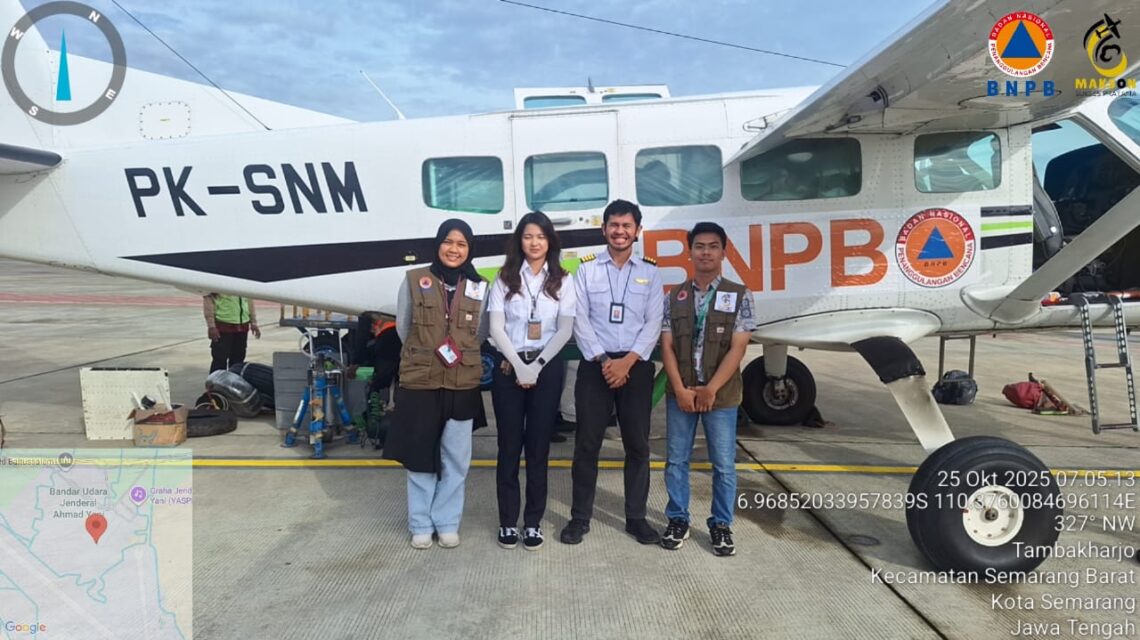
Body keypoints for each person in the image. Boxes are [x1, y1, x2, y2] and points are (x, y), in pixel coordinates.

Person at [561, 199, 663, 546]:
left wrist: (628, 362)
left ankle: (636, 518)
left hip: (635, 367)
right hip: (596, 367)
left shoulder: (650, 271)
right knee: (586, 444)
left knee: (637, 445)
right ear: (603, 229)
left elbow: (653, 323)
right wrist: (606, 361)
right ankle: (579, 518)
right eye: (614, 225)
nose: (620, 231)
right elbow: (580, 319)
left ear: (638, 230)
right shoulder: (587, 269)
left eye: (627, 226)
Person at [384, 219, 487, 550]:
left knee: (456, 457)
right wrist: (427, 354)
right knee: (419, 456)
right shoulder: (415, 280)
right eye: (448, 241)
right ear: (438, 244)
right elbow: (403, 326)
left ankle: (446, 521)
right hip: (420, 382)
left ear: (469, 250)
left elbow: (481, 333)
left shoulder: (479, 285)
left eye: (462, 244)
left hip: (462, 382)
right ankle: (420, 523)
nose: (454, 249)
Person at [659, 222, 755, 557]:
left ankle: (721, 525)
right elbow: (667, 347)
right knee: (676, 461)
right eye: (699, 246)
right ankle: (678, 519)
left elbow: (738, 349)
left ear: (724, 252)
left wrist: (710, 389)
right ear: (690, 252)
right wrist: (681, 390)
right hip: (681, 395)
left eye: (713, 246)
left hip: (722, 397)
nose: (705, 252)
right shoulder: (675, 296)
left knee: (724, 465)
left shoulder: (739, 295)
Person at [486, 211, 575, 551]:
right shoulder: (505, 278)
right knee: (509, 447)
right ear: (519, 241)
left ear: (550, 240)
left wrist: (535, 366)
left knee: (538, 448)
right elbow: (496, 328)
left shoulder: (563, 281)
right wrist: (518, 365)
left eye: (540, 236)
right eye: (528, 236)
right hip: (509, 367)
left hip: (546, 365)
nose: (534, 242)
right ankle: (508, 521)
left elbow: (565, 330)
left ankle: (533, 522)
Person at [203, 293, 260, 373]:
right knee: (220, 359)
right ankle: (215, 383)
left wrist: (253, 322)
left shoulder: (243, 284)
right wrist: (211, 326)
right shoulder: (218, 284)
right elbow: (208, 301)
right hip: (223, 326)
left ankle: (233, 381)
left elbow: (249, 302)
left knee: (238, 359)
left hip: (242, 326)